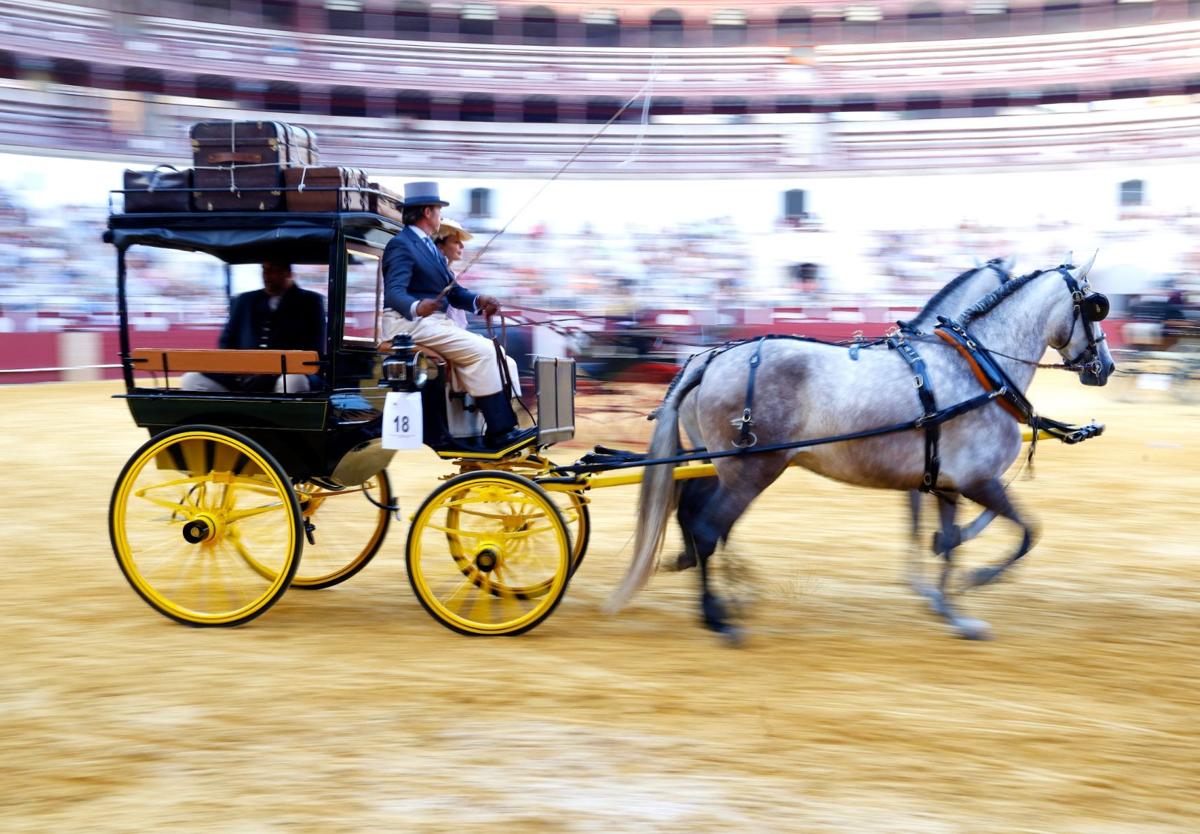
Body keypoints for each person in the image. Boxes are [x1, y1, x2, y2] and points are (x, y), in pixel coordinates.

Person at [381, 182, 530, 450]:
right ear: (428, 212)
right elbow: (393, 293)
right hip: (408, 325)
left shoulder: (427, 247)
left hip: (431, 322)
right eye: (438, 210)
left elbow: (455, 292)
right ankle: (500, 433)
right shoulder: (401, 245)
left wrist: (478, 300)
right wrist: (417, 306)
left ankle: (489, 427)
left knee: (500, 358)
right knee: (486, 351)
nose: (440, 215)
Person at [181, 261, 325, 393]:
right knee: (192, 379)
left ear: (287, 273)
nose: (266, 276)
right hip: (243, 375)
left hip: (286, 373)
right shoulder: (244, 300)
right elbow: (226, 343)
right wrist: (242, 371)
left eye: (272, 270)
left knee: (294, 381)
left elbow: (315, 348)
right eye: (264, 270)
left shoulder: (310, 301)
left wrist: (272, 373)